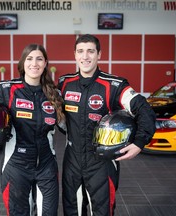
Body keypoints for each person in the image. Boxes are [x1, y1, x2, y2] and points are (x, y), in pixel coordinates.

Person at [57, 34, 156, 216]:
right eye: (80, 51)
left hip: (102, 162)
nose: (85, 56)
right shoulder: (65, 83)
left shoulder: (114, 85)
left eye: (90, 51)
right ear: (75, 55)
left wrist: (140, 143)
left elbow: (145, 110)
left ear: (99, 54)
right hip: (72, 159)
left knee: (102, 211)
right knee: (72, 210)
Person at [0, 44, 65, 216]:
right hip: (16, 167)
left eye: (39, 59)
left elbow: (69, 124)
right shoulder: (6, 89)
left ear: (45, 63)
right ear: (23, 62)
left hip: (47, 166)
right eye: (30, 58)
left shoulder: (54, 94)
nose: (34, 63)